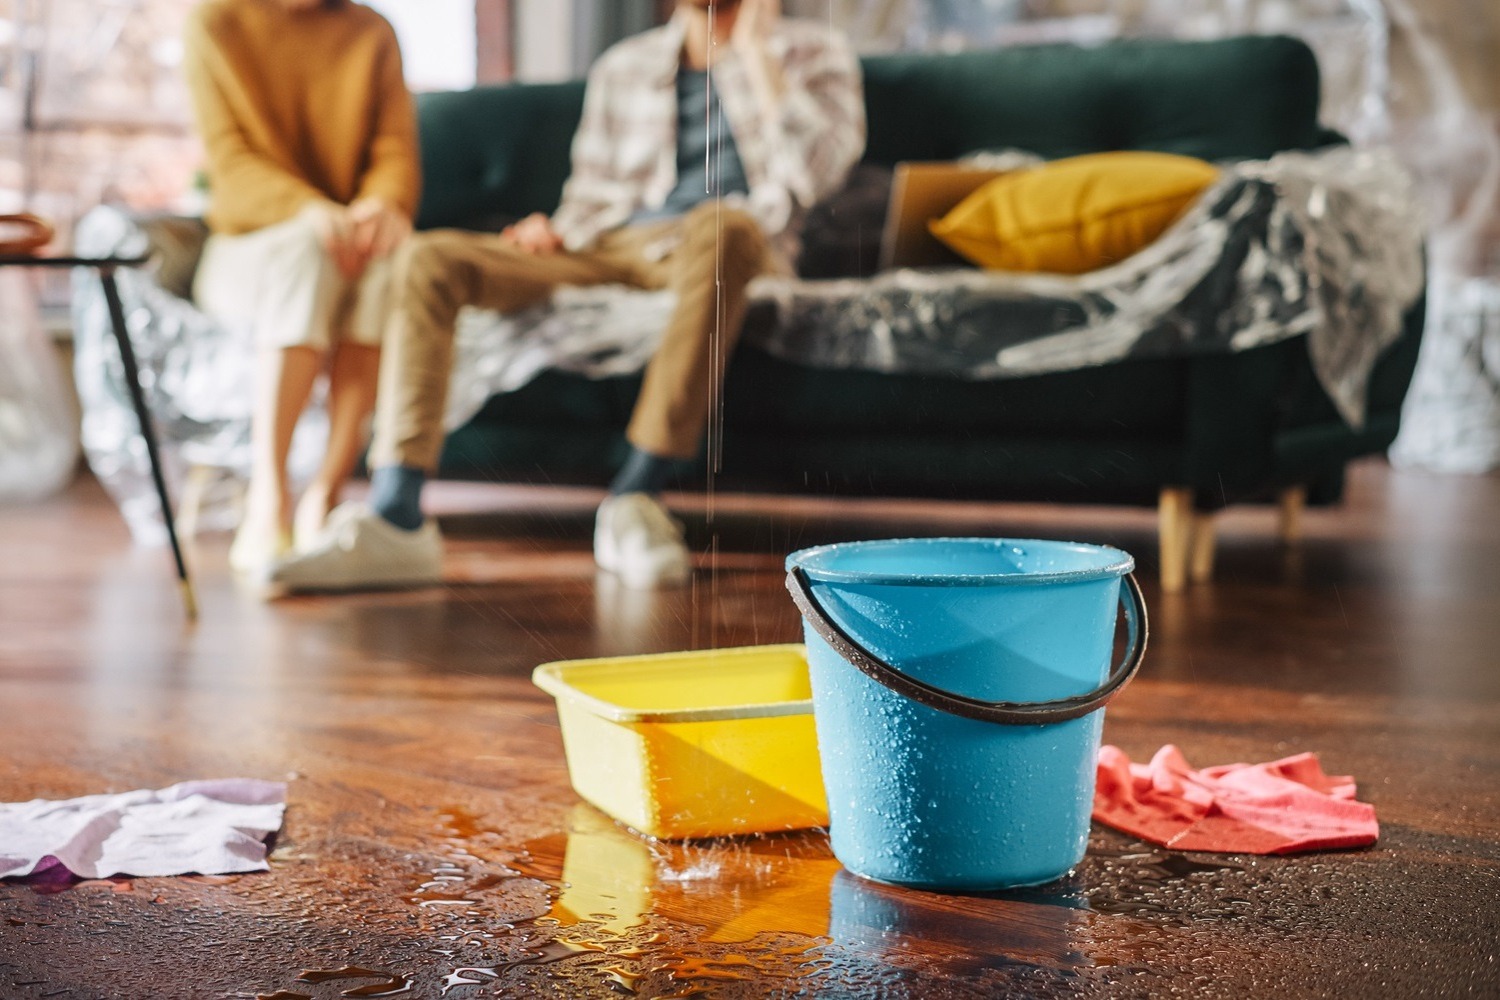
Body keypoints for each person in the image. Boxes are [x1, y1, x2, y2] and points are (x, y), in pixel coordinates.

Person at [272, 0, 865, 592]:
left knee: (724, 225)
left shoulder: (813, 54)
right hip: (609, 244)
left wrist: (758, 54)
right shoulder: (625, 66)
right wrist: (555, 229)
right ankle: (396, 515)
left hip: (722, 243)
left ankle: (636, 496)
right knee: (431, 259)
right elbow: (591, 192)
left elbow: (812, 177)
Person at [183, 0, 420, 575]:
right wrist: (308, 209)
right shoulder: (215, 22)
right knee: (307, 250)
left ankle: (326, 491)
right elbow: (230, 161)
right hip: (248, 249)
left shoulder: (371, 31)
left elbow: (395, 150)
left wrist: (380, 205)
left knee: (398, 261)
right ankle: (270, 496)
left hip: (347, 246)